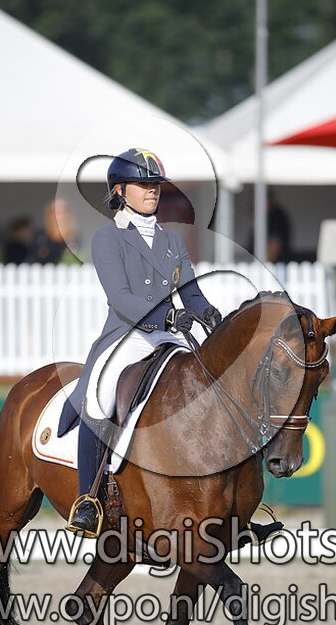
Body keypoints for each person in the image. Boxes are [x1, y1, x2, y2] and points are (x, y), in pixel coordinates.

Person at [57, 148, 222, 537]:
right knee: (99, 399)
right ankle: (88, 500)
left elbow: (191, 292)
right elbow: (121, 298)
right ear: (120, 190)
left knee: (211, 388)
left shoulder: (173, 240)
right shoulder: (107, 238)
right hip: (127, 336)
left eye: (156, 185)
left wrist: (210, 313)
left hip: (169, 336)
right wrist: (167, 316)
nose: (153, 190)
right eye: (143, 184)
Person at [28, 198, 76, 264]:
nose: (59, 215)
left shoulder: (74, 237)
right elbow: (32, 259)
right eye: (55, 211)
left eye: (62, 211)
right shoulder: (40, 237)